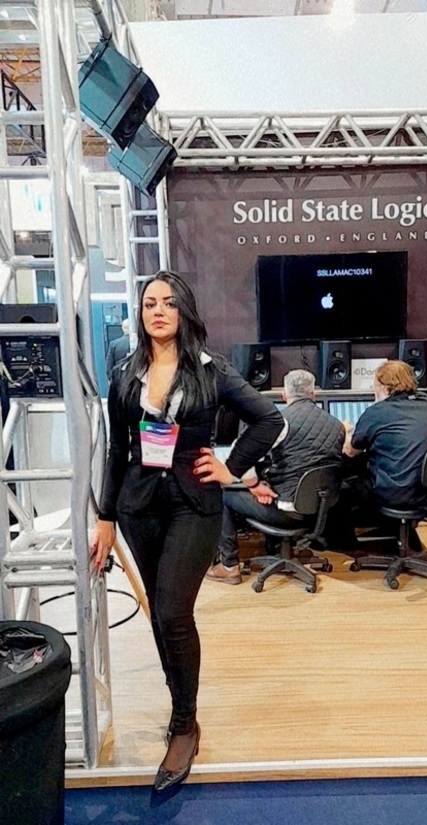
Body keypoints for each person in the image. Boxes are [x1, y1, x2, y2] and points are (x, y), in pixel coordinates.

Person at [91, 271, 284, 792]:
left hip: (194, 505)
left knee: (175, 612)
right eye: (150, 303)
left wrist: (231, 467)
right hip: (138, 507)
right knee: (160, 615)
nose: (158, 311)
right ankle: (181, 703)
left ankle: (184, 724)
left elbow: (269, 420)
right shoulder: (124, 373)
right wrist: (105, 516)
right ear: (140, 313)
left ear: (185, 311)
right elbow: (117, 449)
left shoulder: (211, 370)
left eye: (169, 303)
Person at [206, 369, 345, 584]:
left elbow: (239, 454)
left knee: (225, 496)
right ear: (314, 394)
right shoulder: (337, 425)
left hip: (286, 511)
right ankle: (279, 547)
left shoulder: (279, 422)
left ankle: (229, 566)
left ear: (284, 395)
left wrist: (254, 486)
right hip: (320, 509)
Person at [339, 359, 427, 545]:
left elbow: (350, 451)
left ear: (384, 387)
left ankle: (344, 544)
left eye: (374, 386)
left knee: (340, 487)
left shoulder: (378, 411)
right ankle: (400, 536)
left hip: (393, 494)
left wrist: (344, 430)